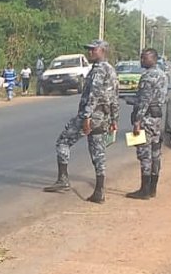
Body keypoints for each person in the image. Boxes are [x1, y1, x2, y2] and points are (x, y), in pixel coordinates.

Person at [42, 39, 119, 203]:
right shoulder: (111, 70)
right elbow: (114, 98)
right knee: (98, 153)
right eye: (89, 49)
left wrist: (86, 117)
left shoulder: (98, 70)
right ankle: (99, 191)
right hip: (104, 117)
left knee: (63, 141)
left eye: (93, 50)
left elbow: (94, 95)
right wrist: (114, 119)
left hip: (92, 116)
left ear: (102, 51)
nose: (89, 52)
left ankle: (63, 180)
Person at [125, 48, 168, 200]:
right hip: (157, 118)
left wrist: (137, 121)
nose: (141, 61)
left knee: (144, 154)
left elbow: (145, 100)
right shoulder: (163, 74)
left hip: (146, 118)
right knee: (156, 154)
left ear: (153, 59)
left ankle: (144, 190)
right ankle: (152, 189)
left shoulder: (148, 76)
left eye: (144, 58)